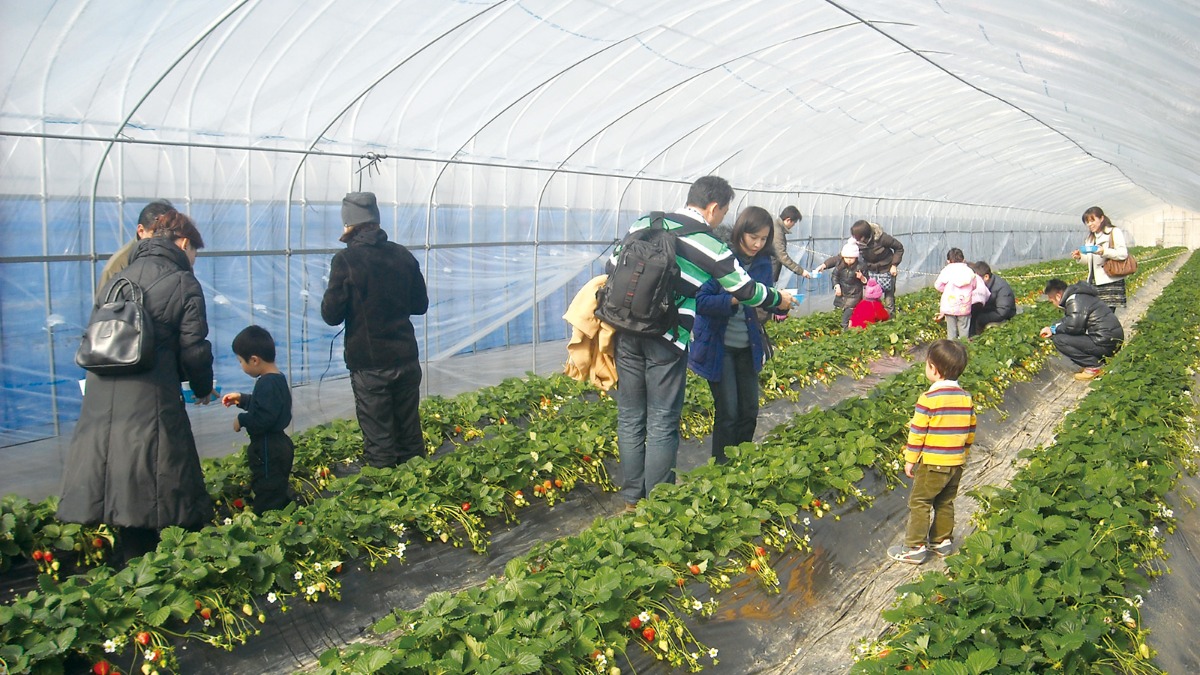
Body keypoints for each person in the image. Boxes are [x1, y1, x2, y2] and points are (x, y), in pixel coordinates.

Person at [608, 176, 793, 510]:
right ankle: (659, 503)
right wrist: (780, 300)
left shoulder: (645, 222)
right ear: (712, 208)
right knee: (662, 420)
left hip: (625, 333)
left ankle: (633, 498)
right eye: (722, 212)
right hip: (666, 338)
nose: (722, 219)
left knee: (630, 416)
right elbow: (746, 290)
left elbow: (612, 267)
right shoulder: (709, 244)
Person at [59, 209, 215, 565]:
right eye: (195, 253)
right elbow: (194, 349)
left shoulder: (118, 279)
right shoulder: (182, 282)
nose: (193, 261)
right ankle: (173, 571)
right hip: (151, 399)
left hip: (103, 400)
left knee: (120, 482)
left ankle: (131, 574)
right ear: (184, 243)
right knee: (166, 479)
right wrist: (203, 387)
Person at [322, 192, 430, 469]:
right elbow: (420, 305)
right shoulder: (402, 255)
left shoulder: (346, 261)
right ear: (377, 221)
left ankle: (388, 504)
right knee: (410, 434)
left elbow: (331, 315)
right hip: (406, 357)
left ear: (349, 225)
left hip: (370, 365)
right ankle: (419, 492)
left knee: (380, 440)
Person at [689, 206, 780, 464]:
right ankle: (721, 468)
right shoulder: (720, 258)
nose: (758, 244)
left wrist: (780, 304)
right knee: (728, 412)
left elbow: (766, 296)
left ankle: (742, 462)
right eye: (754, 237)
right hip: (720, 347)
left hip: (747, 345)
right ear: (741, 231)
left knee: (749, 410)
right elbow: (700, 300)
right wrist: (732, 298)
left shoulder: (763, 262)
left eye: (763, 239)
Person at [887, 339, 975, 564]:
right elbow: (970, 428)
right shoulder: (966, 397)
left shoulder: (928, 399)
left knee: (920, 502)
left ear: (934, 370)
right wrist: (963, 451)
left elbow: (918, 432)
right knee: (945, 502)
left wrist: (910, 459)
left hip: (933, 462)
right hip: (955, 463)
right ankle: (942, 541)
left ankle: (914, 547)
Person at [221, 325, 294, 513]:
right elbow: (268, 406)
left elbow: (263, 419)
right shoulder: (276, 378)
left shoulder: (266, 383)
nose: (240, 366)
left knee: (267, 494)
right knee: (277, 490)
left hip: (269, 449)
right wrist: (243, 399)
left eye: (240, 361)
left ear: (254, 360)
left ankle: (269, 529)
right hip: (279, 446)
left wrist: (242, 419)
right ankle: (285, 519)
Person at [1039, 278, 1124, 381]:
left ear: (1058, 296)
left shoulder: (1074, 300)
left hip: (1105, 342)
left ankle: (1094, 366)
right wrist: (1053, 327)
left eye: (1051, 300)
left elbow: (1073, 327)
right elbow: (1070, 320)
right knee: (1063, 334)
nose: (1052, 303)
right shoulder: (1080, 296)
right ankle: (1097, 362)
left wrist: (1053, 330)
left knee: (1059, 339)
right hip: (1112, 340)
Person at [813, 220, 904, 314]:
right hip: (870, 271)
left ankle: (890, 318)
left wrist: (894, 265)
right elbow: (842, 256)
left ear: (866, 235)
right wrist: (825, 265)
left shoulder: (882, 238)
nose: (857, 239)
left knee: (888, 297)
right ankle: (875, 317)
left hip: (887, 269)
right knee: (871, 295)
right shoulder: (857, 242)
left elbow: (899, 248)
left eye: (859, 237)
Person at [97, 199, 176, 294]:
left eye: (168, 233)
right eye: (156, 233)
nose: (163, 238)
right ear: (141, 231)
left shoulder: (174, 256)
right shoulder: (117, 267)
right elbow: (106, 306)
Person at [1071, 206, 1130, 311]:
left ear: (1101, 218)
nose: (1090, 224)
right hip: (1094, 283)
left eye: (1092, 220)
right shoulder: (1090, 238)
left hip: (1110, 281)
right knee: (1096, 316)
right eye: (1087, 222)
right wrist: (1080, 257)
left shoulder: (1113, 232)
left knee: (1107, 316)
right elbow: (1091, 261)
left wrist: (1104, 251)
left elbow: (1122, 254)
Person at [934, 248, 985, 340]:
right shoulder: (969, 271)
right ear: (963, 260)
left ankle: (951, 350)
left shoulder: (946, 271)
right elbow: (974, 285)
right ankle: (964, 348)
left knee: (951, 330)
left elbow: (938, 285)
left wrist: (946, 290)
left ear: (948, 261)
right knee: (964, 329)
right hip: (964, 306)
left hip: (950, 306)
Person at [968, 261, 1016, 336]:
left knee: (978, 321)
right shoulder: (979, 286)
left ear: (986, 277)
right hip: (986, 311)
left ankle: (977, 339)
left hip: (1003, 317)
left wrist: (981, 318)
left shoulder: (1001, 287)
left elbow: (1002, 312)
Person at [825, 241, 865, 328]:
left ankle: (845, 329)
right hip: (842, 293)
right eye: (846, 257)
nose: (849, 259)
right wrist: (836, 286)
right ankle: (840, 328)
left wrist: (862, 277)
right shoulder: (840, 265)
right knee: (838, 311)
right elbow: (835, 276)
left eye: (851, 257)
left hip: (854, 294)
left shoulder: (861, 266)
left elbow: (867, 281)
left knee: (848, 313)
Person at [770, 205, 811, 283]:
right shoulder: (777, 233)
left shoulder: (777, 228)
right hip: (768, 272)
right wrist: (801, 271)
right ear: (788, 220)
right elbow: (782, 256)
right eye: (794, 223)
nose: (793, 225)